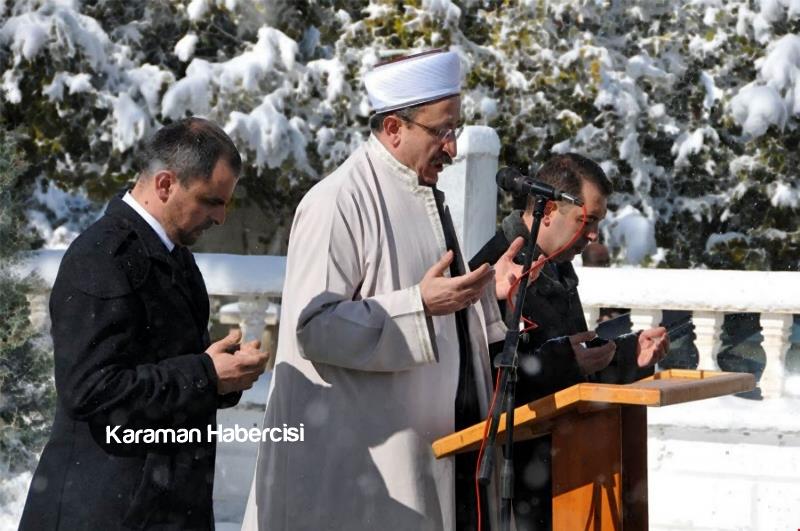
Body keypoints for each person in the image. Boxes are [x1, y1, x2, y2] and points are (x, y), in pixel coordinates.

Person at [242, 50, 524, 530]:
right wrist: (418, 305)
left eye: (455, 130)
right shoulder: (338, 201)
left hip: (441, 452)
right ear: (394, 128)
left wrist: (485, 296)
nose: (452, 149)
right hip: (364, 475)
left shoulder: (422, 193)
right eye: (442, 132)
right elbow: (313, 327)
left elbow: (436, 307)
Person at [19, 117, 270, 530]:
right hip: (107, 509)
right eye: (211, 200)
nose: (221, 217)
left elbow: (166, 364)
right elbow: (91, 390)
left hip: (162, 504)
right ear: (166, 184)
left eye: (226, 203)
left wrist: (221, 374)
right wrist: (205, 375)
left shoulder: (172, 252)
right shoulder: (101, 257)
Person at [469, 153, 669, 531]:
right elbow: (491, 380)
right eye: (587, 221)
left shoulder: (558, 266)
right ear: (548, 211)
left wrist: (631, 354)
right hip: (516, 481)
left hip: (564, 466)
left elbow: (572, 362)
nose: (593, 234)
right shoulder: (496, 267)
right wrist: (566, 361)